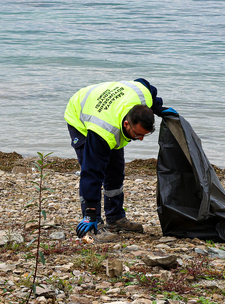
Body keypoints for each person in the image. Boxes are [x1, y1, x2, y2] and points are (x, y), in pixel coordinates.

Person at [64, 79, 177, 241]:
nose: (141, 139)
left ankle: (115, 218)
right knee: (95, 170)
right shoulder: (103, 131)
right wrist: (90, 212)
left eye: (144, 135)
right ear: (126, 124)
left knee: (115, 171)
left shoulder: (142, 96)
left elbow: (144, 84)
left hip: (108, 108)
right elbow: (91, 172)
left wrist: (158, 108)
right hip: (80, 115)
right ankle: (93, 221)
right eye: (138, 135)